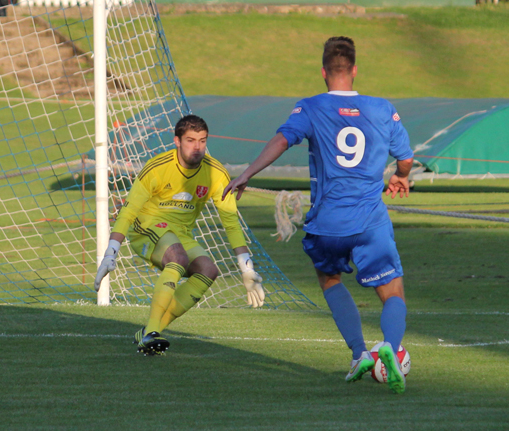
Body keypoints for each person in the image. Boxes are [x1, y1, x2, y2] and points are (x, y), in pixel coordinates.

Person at [223, 37, 413, 394]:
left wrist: (247, 174)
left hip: (327, 222)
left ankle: (359, 354)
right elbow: (405, 156)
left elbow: (282, 140)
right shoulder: (381, 108)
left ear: (324, 72)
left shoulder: (310, 107)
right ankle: (389, 345)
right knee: (393, 292)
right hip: (370, 221)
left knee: (329, 280)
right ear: (354, 70)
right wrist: (401, 176)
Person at [94, 114, 265, 356]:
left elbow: (231, 221)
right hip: (147, 226)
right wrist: (111, 251)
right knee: (178, 257)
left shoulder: (216, 173)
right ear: (177, 141)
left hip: (181, 233)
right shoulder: (158, 167)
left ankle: (149, 333)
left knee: (208, 270)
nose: (197, 147)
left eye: (202, 141)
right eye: (190, 141)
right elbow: (129, 211)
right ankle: (152, 332)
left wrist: (246, 268)